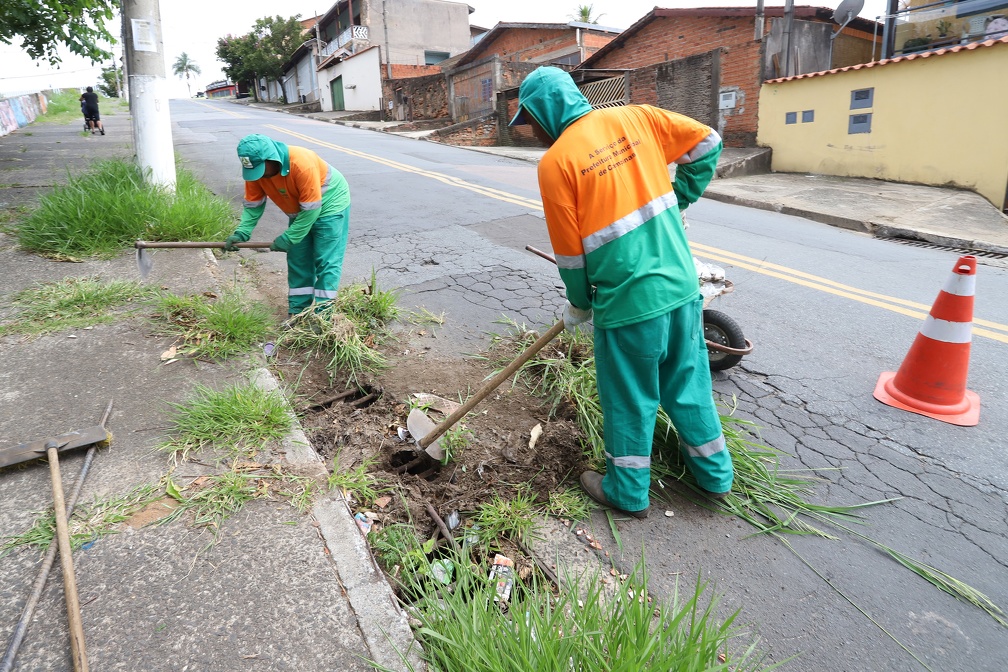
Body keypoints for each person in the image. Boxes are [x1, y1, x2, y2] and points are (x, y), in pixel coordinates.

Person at [510, 66, 734, 519]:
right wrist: (679, 195)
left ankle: (628, 492)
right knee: (689, 385)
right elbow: (708, 141)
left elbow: (571, 255)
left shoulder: (556, 164)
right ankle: (716, 476)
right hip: (682, 288)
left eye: (529, 120)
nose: (531, 130)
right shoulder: (637, 118)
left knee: (630, 398)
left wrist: (579, 302)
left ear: (542, 112)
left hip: (629, 304)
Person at [224, 134, 351, 317]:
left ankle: (323, 316)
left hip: (330, 204)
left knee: (326, 261)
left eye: (261, 169)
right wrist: (241, 233)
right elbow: (253, 206)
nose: (259, 176)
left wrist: (290, 237)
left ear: (272, 158)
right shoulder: (256, 171)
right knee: (298, 259)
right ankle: (298, 312)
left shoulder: (301, 162)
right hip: (301, 209)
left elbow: (312, 209)